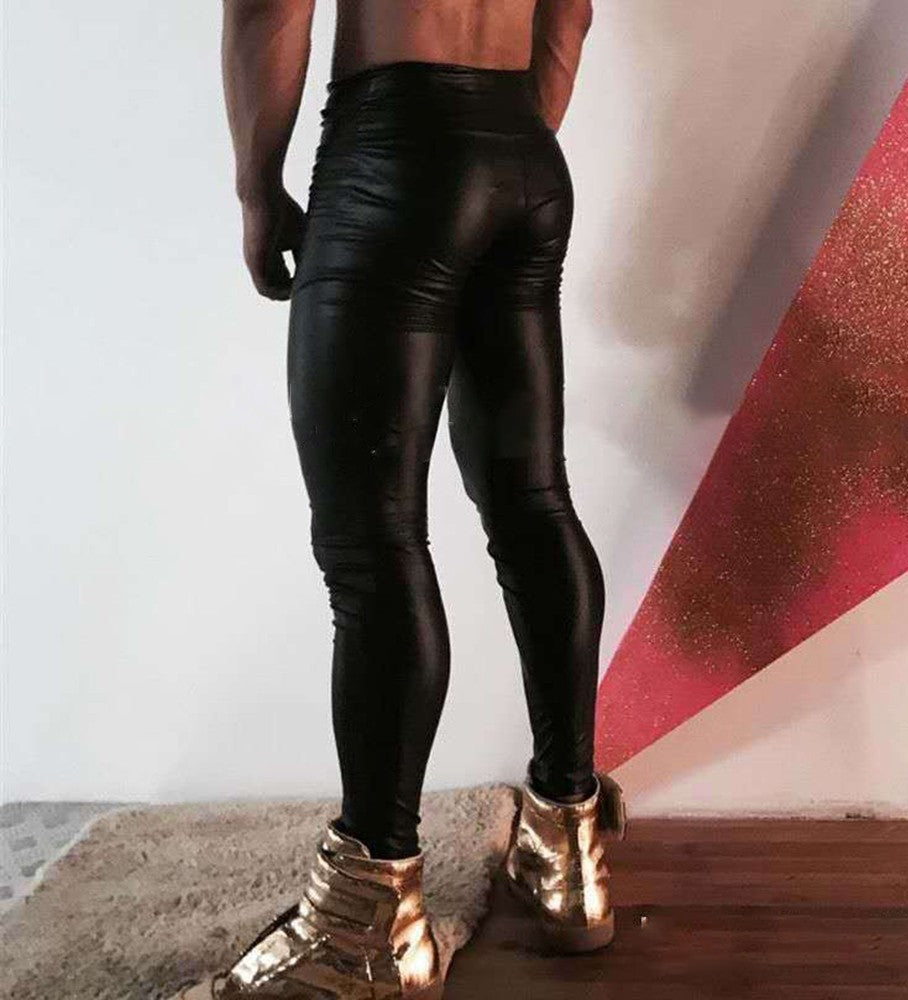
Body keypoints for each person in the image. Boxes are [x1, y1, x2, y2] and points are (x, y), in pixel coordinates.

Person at [173, 2, 625, 997]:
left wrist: (257, 189)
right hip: (524, 157)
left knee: (372, 544)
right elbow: (573, 9)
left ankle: (369, 920)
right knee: (533, 501)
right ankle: (567, 850)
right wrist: (497, 150)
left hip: (394, 150)